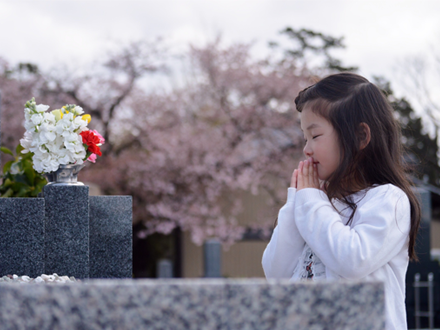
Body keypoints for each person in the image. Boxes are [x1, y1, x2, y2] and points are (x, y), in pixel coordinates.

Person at [262, 72, 421, 330]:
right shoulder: (317, 204)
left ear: (360, 137)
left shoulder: (388, 199)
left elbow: (352, 260)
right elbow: (276, 273)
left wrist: (311, 200)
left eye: (315, 136)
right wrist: (296, 202)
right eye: (305, 138)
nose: (306, 149)